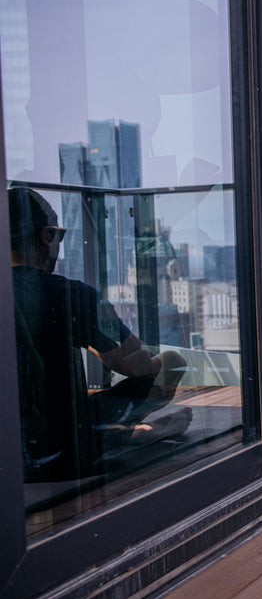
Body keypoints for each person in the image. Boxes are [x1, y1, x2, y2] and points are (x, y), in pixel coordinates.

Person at [9, 187, 191, 483]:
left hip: (9, 457)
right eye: (59, 235)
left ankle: (130, 434)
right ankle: (141, 433)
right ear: (47, 236)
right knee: (171, 361)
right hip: (57, 457)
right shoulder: (70, 295)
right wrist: (96, 338)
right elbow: (136, 365)